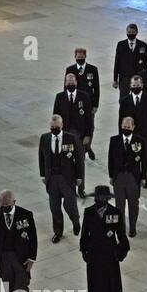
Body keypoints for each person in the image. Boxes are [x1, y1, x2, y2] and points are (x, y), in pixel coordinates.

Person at [80, 186, 129, 292]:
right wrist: (84, 250)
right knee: (95, 281)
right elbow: (85, 234)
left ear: (107, 199)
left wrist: (121, 251)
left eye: (102, 198)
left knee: (110, 277)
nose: (99, 200)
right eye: (98, 198)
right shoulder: (89, 212)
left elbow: (121, 234)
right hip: (94, 252)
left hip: (109, 252)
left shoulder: (115, 212)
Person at [38, 114, 83, 243]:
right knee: (54, 207)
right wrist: (43, 174)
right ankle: (58, 232)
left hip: (67, 178)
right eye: (52, 127)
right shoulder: (45, 138)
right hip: (52, 178)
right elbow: (41, 157)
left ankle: (75, 221)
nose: (54, 129)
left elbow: (79, 160)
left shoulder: (71, 138)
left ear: (62, 125)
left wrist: (79, 177)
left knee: (70, 205)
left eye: (56, 127)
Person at [53, 72, 94, 196]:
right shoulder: (59, 97)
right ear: (65, 83)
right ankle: (69, 187)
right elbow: (55, 117)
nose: (70, 83)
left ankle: (81, 189)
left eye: (72, 81)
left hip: (80, 137)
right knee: (66, 163)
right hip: (64, 137)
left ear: (76, 82)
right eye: (68, 82)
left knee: (80, 163)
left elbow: (89, 118)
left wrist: (88, 135)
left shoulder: (84, 96)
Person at [0, 190, 36, 292]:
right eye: (2, 205)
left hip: (21, 257)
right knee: (7, 286)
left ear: (14, 202)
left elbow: (33, 238)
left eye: (7, 204)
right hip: (4, 257)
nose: (4, 207)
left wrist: (32, 258)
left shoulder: (26, 214)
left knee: (21, 286)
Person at [109, 116, 147, 236]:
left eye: (128, 127)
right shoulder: (114, 140)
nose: (126, 128)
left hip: (133, 177)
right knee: (119, 205)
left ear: (133, 127)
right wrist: (112, 176)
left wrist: (144, 177)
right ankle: (121, 228)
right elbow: (110, 159)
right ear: (121, 126)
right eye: (124, 126)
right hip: (119, 177)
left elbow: (145, 161)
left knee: (133, 205)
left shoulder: (139, 141)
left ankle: (132, 227)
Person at [66, 48, 102, 156]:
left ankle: (88, 147)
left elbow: (97, 88)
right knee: (75, 127)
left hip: (89, 104)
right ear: (75, 57)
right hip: (74, 104)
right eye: (78, 57)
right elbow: (66, 87)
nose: (80, 59)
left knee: (89, 127)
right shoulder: (70, 69)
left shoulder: (93, 69)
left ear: (85, 56)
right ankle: (77, 148)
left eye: (82, 57)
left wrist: (96, 105)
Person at [118, 74, 147, 161]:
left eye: (137, 85)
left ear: (142, 85)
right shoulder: (124, 101)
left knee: (146, 160)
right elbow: (121, 120)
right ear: (130, 86)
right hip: (131, 135)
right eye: (133, 85)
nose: (135, 87)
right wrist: (121, 136)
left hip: (146, 135)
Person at [112, 24, 147, 104]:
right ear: (126, 32)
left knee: (139, 100)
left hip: (138, 78)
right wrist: (115, 79)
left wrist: (146, 79)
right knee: (123, 100)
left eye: (133, 32)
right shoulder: (121, 44)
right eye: (129, 32)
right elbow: (117, 62)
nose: (131, 34)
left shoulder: (142, 45)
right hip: (125, 77)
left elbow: (145, 63)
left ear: (137, 32)